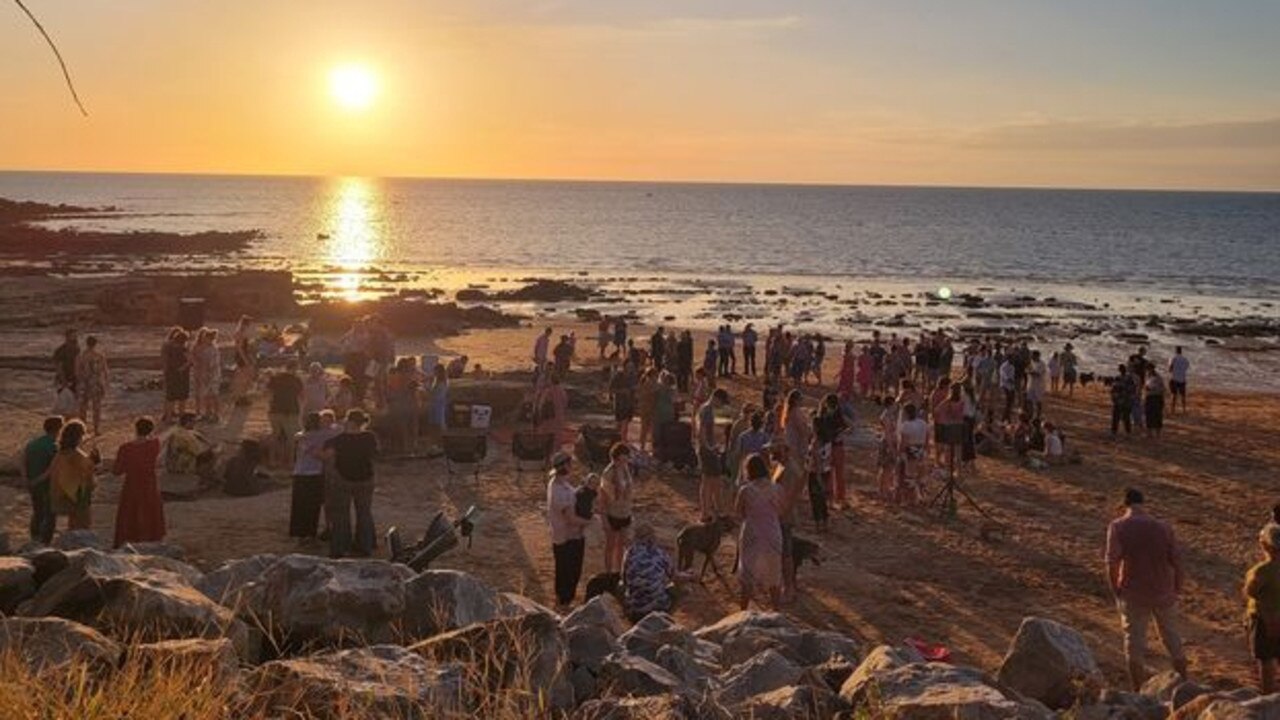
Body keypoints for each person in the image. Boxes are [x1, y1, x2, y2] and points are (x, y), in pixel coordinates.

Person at [1105, 488, 1188, 691]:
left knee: (1134, 644)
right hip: (1163, 591)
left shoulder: (1118, 526)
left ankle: (1137, 691)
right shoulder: (1163, 527)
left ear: (1124, 504)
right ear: (1143, 503)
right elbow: (1177, 561)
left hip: (1133, 592)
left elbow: (1112, 562)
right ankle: (1184, 685)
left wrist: (1115, 588)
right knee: (1172, 639)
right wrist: (1177, 587)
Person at [323, 409, 379, 558]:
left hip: (344, 478)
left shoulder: (340, 439)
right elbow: (374, 455)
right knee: (364, 513)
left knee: (341, 514)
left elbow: (327, 455)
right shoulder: (370, 437)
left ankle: (340, 547)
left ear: (351, 422)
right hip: (366, 478)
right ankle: (365, 545)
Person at [547, 451, 590, 610]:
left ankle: (564, 600)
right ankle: (564, 601)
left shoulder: (558, 483)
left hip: (567, 534)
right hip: (568, 535)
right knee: (569, 571)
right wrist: (589, 522)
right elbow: (570, 518)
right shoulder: (558, 490)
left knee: (566, 570)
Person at [111, 416, 164, 547]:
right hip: (149, 484)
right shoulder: (154, 445)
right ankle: (150, 540)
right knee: (149, 513)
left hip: (132, 485)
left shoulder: (125, 448)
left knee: (130, 514)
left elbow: (117, 471)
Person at [1245, 523, 1280, 694]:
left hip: (1264, 620)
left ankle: (1268, 696)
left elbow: (1250, 592)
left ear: (1265, 545)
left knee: (1266, 660)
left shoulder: (1261, 571)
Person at [49, 419, 99, 532]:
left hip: (63, 495)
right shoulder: (77, 455)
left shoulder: (60, 454)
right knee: (82, 527)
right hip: (77, 497)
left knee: (72, 526)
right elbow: (87, 478)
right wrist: (93, 463)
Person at [20, 416, 64, 544]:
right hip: (46, 485)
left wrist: (26, 479)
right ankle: (45, 543)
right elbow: (51, 469)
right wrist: (37, 480)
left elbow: (22, 461)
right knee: (50, 515)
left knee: (37, 512)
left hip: (32, 483)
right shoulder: (54, 446)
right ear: (59, 429)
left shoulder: (32, 443)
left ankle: (34, 538)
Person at [622, 523, 675, 621]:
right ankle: (667, 620)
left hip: (634, 607)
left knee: (621, 587)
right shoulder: (659, 552)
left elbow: (624, 579)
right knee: (678, 589)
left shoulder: (630, 552)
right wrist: (690, 576)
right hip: (658, 606)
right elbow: (673, 575)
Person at [290, 412, 328, 541]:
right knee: (312, 505)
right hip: (315, 473)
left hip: (300, 472)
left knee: (299, 505)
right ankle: (310, 533)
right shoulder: (322, 435)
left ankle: (300, 533)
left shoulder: (301, 436)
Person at [599, 443, 634, 574]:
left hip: (625, 512)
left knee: (622, 545)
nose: (624, 462)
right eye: (622, 459)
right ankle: (609, 573)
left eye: (626, 459)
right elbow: (603, 499)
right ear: (615, 458)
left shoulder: (626, 469)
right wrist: (604, 519)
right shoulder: (608, 473)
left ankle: (619, 572)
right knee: (611, 545)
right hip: (612, 514)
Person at [696, 388, 730, 521]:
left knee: (709, 481)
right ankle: (711, 511)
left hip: (707, 448)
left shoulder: (706, 409)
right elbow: (702, 431)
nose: (721, 405)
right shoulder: (707, 410)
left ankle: (709, 511)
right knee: (713, 481)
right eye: (721, 402)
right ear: (716, 398)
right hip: (707, 450)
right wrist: (709, 447)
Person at [267, 361, 305, 468]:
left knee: (275, 436)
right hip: (291, 411)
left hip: (275, 410)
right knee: (291, 438)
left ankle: (272, 460)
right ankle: (290, 462)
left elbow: (268, 393)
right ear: (295, 368)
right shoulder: (296, 380)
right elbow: (302, 396)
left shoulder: (276, 378)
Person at [75, 336, 109, 435]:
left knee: (83, 408)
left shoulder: (80, 356)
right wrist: (105, 384)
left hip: (84, 383)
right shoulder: (99, 355)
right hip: (96, 383)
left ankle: (82, 429)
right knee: (97, 408)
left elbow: (76, 372)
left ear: (86, 343)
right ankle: (96, 429)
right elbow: (105, 371)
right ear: (95, 344)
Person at [191, 328, 223, 423]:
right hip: (205, 374)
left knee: (214, 395)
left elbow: (213, 364)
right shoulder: (203, 348)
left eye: (206, 338)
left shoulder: (213, 349)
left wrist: (208, 373)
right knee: (207, 395)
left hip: (212, 375)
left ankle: (216, 414)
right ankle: (208, 413)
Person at [162, 328, 192, 423]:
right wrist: (185, 366)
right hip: (181, 375)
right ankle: (181, 416)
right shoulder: (183, 349)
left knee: (170, 396)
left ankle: (168, 417)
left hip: (170, 373)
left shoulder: (167, 346)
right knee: (182, 396)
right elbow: (190, 361)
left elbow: (165, 361)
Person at [230, 316, 257, 408]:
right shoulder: (241, 333)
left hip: (242, 355)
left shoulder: (239, 332)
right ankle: (240, 397)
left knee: (244, 377)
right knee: (243, 378)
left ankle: (242, 397)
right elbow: (240, 348)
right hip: (242, 356)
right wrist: (245, 359)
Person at [609, 363, 637, 444]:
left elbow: (635, 389)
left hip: (629, 403)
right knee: (619, 423)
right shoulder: (618, 376)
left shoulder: (632, 377)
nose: (631, 369)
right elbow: (611, 389)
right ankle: (618, 440)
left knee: (626, 422)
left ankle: (623, 440)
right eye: (629, 367)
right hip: (619, 403)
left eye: (632, 367)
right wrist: (622, 391)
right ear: (624, 367)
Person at [1110, 364, 1137, 437]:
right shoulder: (1118, 378)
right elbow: (1113, 390)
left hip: (1125, 401)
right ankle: (1115, 431)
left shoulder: (1128, 379)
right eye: (1120, 369)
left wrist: (1129, 400)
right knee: (1117, 417)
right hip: (1120, 401)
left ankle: (1126, 432)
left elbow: (1132, 390)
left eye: (1122, 369)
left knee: (1125, 417)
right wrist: (1114, 399)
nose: (1121, 370)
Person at [53, 329, 80, 397]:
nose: (75, 337)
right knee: (63, 400)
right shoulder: (61, 350)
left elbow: (77, 364)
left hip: (73, 378)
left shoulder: (76, 349)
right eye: (73, 336)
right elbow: (59, 366)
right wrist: (63, 380)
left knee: (73, 400)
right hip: (64, 378)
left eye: (76, 336)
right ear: (67, 337)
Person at [426, 363, 449, 438]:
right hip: (436, 406)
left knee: (437, 426)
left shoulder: (441, 383)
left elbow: (435, 395)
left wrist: (428, 385)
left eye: (435, 371)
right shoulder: (439, 381)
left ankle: (437, 443)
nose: (434, 372)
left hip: (437, 406)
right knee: (436, 425)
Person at [1144, 370, 1166, 439]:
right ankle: (1152, 433)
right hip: (1154, 397)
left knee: (1154, 415)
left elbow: (1161, 389)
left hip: (1154, 397)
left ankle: (1154, 433)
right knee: (1152, 415)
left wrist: (1151, 389)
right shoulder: (1150, 377)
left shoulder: (1155, 378)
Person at [1168, 347, 1190, 413]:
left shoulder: (1173, 358)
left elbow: (1170, 369)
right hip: (1182, 379)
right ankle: (1184, 409)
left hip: (1174, 378)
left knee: (1173, 395)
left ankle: (1172, 410)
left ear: (1175, 351)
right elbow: (1186, 368)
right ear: (1181, 351)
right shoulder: (1185, 359)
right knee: (1183, 395)